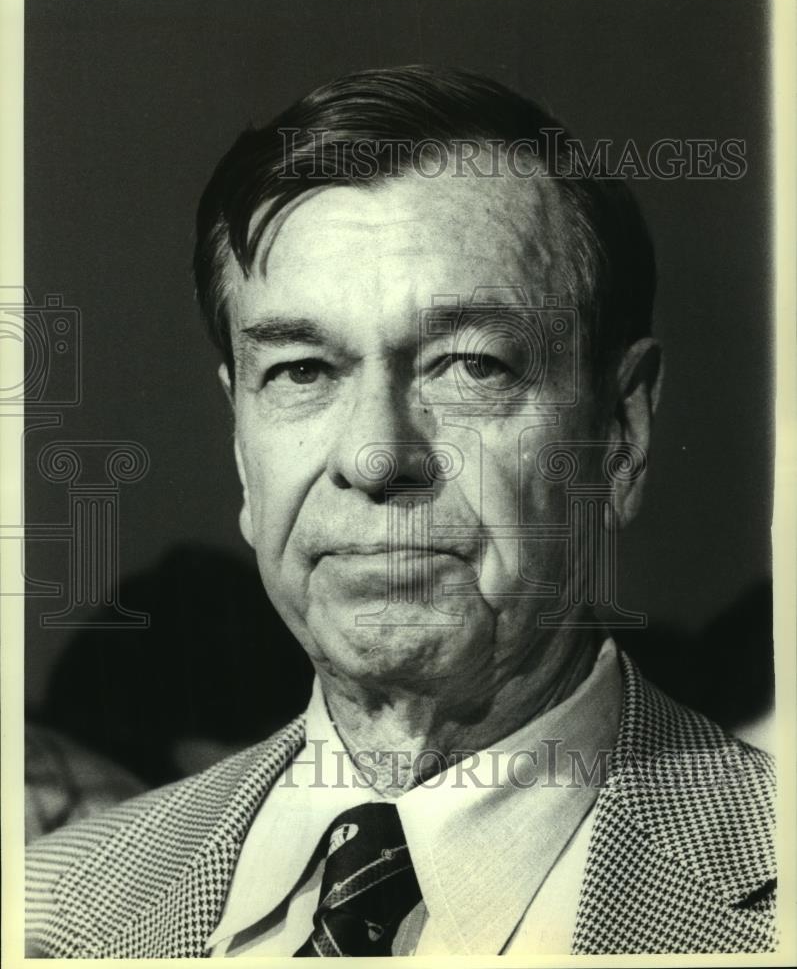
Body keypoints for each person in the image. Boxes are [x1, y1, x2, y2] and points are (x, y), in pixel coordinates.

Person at [25, 65, 776, 957]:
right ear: (240, 443)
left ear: (619, 432)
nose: (376, 456)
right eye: (301, 371)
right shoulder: (48, 909)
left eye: (469, 365)